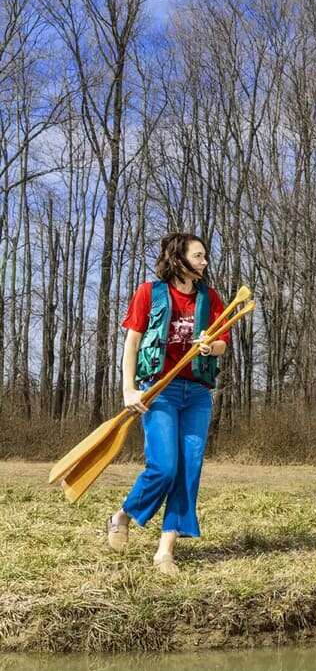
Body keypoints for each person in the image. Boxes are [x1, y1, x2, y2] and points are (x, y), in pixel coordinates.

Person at [105, 233, 231, 574]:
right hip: (160, 389)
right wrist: (129, 391)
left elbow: (222, 342)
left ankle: (165, 550)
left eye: (205, 256)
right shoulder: (150, 293)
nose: (205, 262)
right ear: (179, 260)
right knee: (164, 466)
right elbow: (131, 344)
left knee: (188, 471)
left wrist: (210, 345)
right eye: (198, 255)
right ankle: (122, 515)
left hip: (198, 395)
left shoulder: (210, 298)